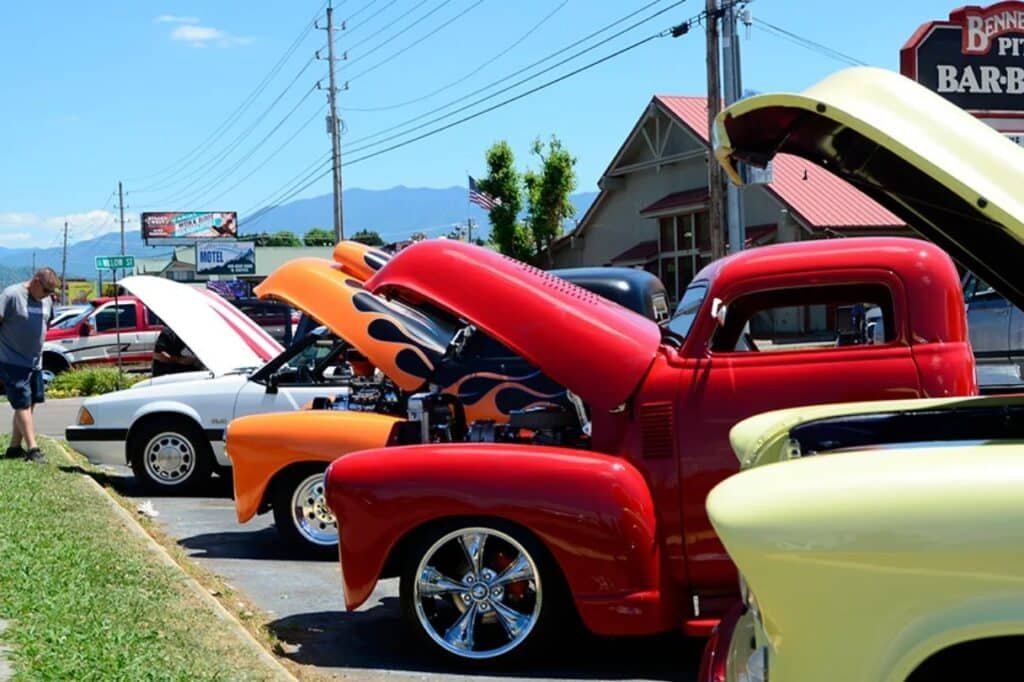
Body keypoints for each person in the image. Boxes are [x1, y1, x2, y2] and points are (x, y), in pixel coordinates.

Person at [0, 268, 60, 463]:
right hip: (11, 360)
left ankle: (14, 447)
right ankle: (33, 449)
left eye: (51, 292)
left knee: (30, 402)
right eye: (46, 291)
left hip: (35, 361)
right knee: (22, 403)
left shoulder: (47, 300)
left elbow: (47, 323)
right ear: (35, 281)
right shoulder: (11, 295)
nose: (48, 296)